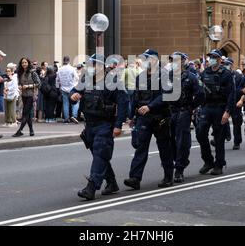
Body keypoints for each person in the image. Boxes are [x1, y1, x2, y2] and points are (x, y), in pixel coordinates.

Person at [70, 54, 128, 200]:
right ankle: (112, 182)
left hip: (105, 124)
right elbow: (73, 91)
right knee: (100, 156)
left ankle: (91, 187)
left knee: (100, 154)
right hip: (89, 125)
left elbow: (123, 104)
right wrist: (74, 96)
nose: (91, 68)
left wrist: (118, 125)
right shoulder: (86, 80)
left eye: (94, 65)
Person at [124, 49, 175, 190]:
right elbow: (135, 97)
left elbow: (166, 95)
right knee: (141, 147)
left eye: (146, 58)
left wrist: (150, 106)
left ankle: (168, 176)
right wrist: (132, 116)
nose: (144, 61)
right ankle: (135, 178)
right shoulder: (141, 76)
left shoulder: (164, 75)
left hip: (160, 118)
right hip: (144, 118)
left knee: (164, 148)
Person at [196, 49, 234, 175]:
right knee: (200, 134)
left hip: (220, 107)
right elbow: (200, 90)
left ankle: (219, 164)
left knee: (219, 138)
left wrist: (227, 112)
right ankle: (208, 161)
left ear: (219, 59)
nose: (211, 59)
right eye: (210, 56)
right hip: (207, 107)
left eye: (214, 57)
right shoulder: (205, 72)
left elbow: (231, 95)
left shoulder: (226, 74)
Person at [168, 51, 205, 182]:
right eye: (172, 60)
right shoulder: (167, 77)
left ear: (183, 61)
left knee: (182, 141)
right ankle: (178, 161)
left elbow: (200, 94)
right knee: (170, 141)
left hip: (184, 111)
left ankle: (179, 169)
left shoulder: (191, 77)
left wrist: (191, 107)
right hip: (170, 111)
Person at [13, 58, 41, 137]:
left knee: (25, 113)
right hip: (24, 95)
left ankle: (20, 130)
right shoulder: (20, 72)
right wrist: (19, 86)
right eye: (22, 63)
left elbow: (39, 83)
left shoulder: (33, 72)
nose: (24, 64)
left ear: (28, 63)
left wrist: (28, 86)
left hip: (31, 95)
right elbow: (19, 83)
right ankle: (31, 131)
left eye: (25, 62)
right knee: (27, 114)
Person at [223, 57, 244, 150]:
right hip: (225, 102)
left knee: (236, 122)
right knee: (222, 121)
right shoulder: (222, 75)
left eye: (227, 64)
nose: (225, 66)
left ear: (231, 65)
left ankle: (237, 142)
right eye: (224, 64)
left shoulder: (238, 76)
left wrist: (240, 100)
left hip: (235, 102)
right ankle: (222, 137)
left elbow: (241, 89)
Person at [56, 56, 80, 124]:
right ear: (69, 61)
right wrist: (75, 84)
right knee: (75, 102)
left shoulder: (60, 69)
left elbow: (57, 80)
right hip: (72, 88)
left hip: (63, 88)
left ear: (63, 61)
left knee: (65, 103)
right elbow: (77, 78)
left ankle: (66, 118)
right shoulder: (72, 69)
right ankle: (74, 116)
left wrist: (58, 87)